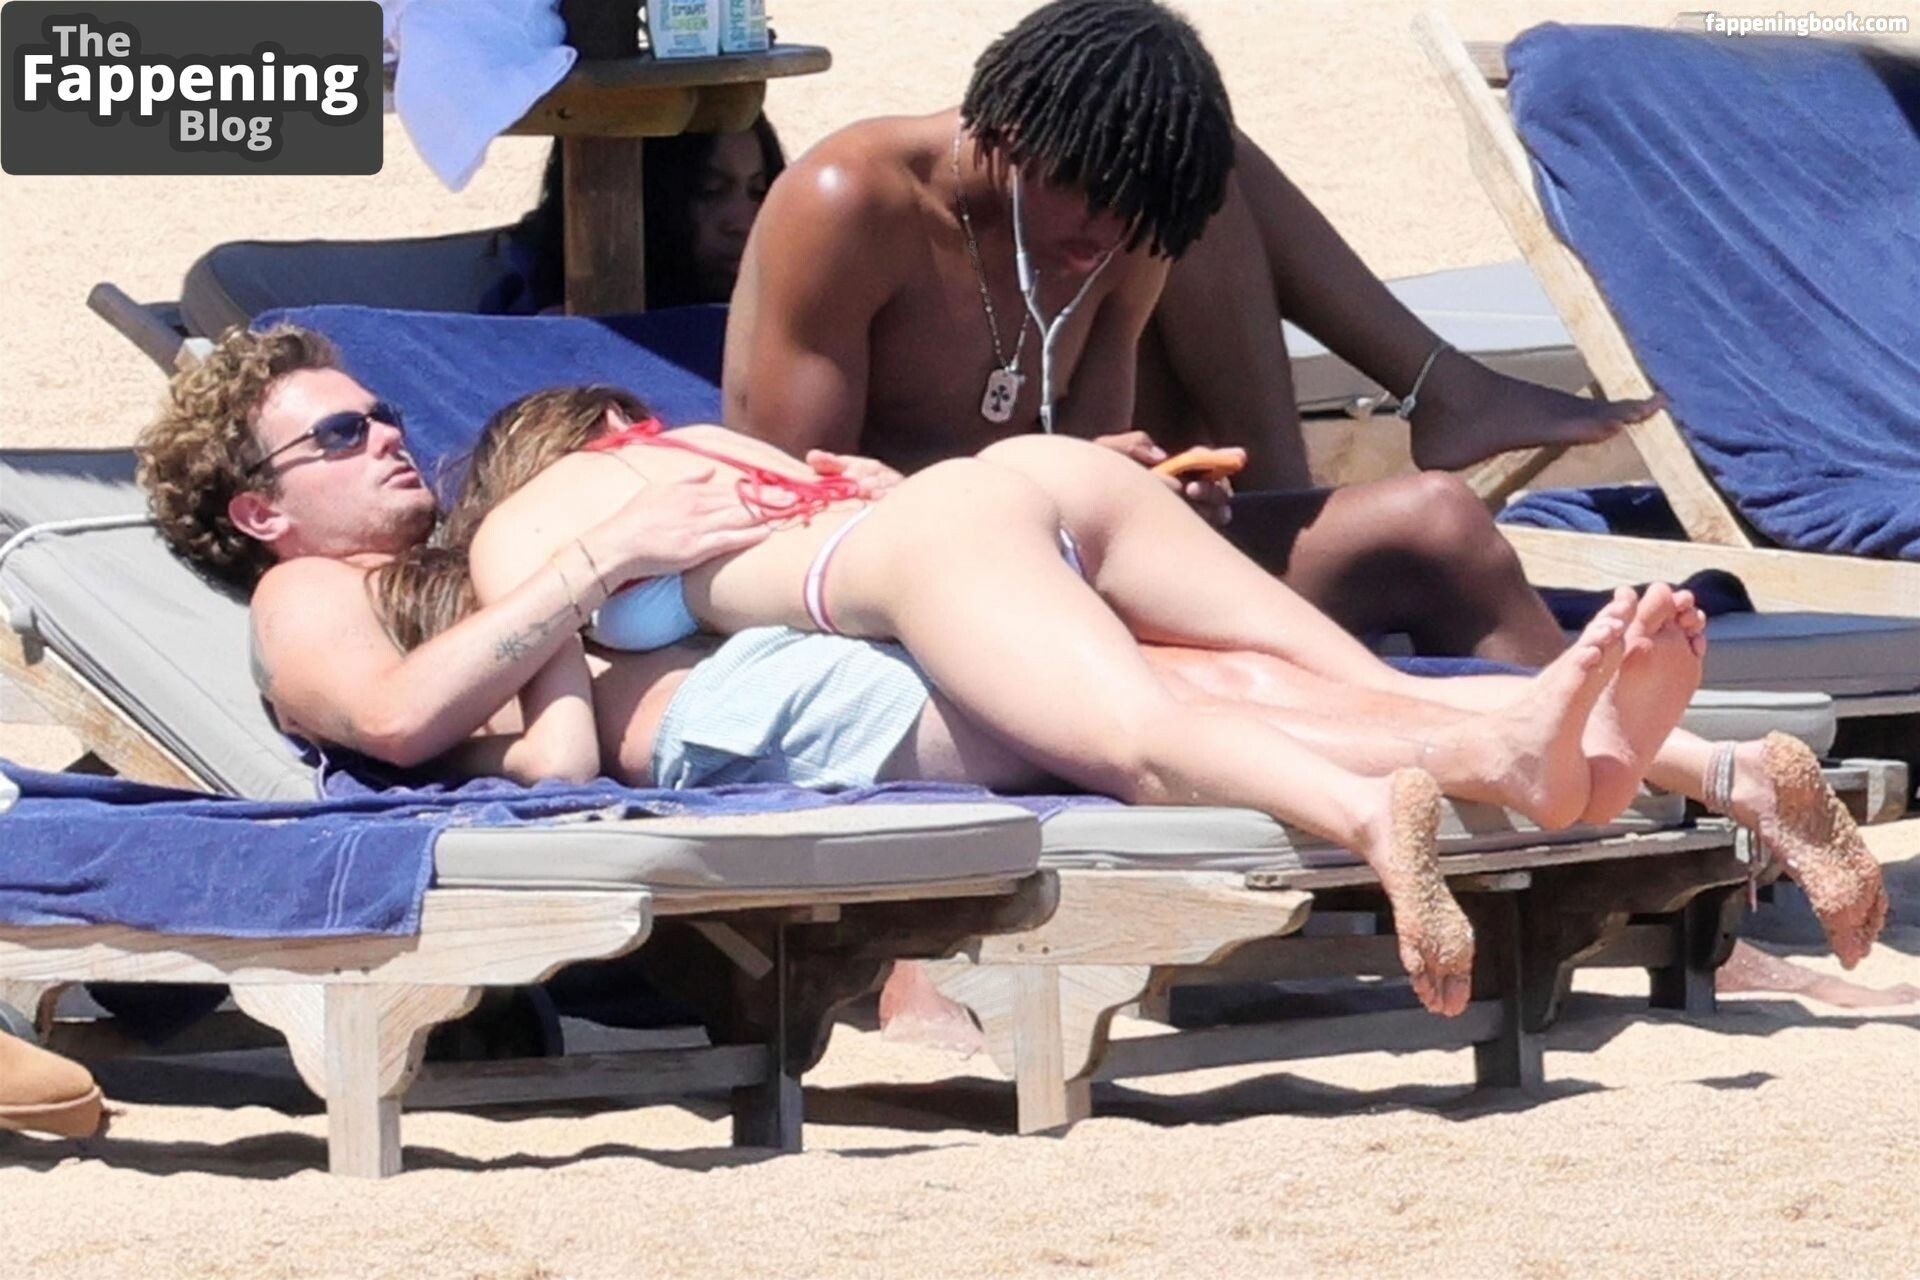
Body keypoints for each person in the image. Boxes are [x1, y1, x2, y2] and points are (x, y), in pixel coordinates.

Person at [134, 326, 1885, 1023]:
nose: (388, 441)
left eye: (381, 413)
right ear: (255, 511)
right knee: (1240, 680)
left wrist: (585, 608)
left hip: (879, 612)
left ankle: (1426, 795)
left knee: (1162, 723)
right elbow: (392, 717)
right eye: (339, 436)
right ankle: (1679, 766)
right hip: (922, 568)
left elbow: (559, 742)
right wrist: (591, 585)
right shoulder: (315, 596)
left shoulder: (536, 544)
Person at [721, 0, 1665, 667]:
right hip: (901, 596)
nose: (1103, 237)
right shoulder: (852, 205)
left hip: (1070, 568)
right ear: (1007, 130)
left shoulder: (1124, 228)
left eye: (1133, 217)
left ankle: (1623, 812)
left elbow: (1093, 460)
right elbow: (791, 510)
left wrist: (1156, 488)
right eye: (1086, 198)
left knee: (1440, 521)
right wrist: (1043, 490)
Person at [507, 115, 785, 310]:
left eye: (758, 190)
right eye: (708, 191)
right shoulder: (527, 333)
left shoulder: (782, 323)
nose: (744, 222)